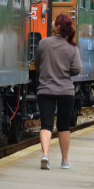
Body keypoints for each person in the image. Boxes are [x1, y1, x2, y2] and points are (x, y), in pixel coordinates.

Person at [33, 14, 82, 170]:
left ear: (58, 27)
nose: (52, 22)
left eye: (54, 21)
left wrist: (45, 72)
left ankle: (45, 155)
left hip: (45, 89)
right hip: (66, 91)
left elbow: (37, 63)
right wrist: (65, 71)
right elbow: (77, 69)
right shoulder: (72, 47)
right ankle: (65, 160)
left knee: (46, 124)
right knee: (64, 126)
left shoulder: (44, 43)